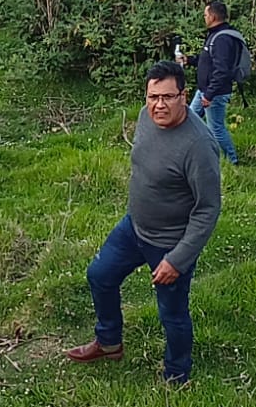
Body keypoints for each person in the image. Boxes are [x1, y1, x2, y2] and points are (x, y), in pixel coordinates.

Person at [65, 60, 221, 385]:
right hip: (134, 228)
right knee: (100, 275)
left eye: (167, 97)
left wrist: (177, 260)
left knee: (172, 314)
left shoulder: (199, 145)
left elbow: (208, 209)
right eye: (153, 97)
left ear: (183, 96)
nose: (158, 105)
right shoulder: (145, 117)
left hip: (170, 243)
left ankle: (177, 374)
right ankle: (109, 343)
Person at [185, 0, 244, 166]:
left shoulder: (223, 39)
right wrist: (189, 60)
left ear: (213, 16)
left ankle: (232, 161)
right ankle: (193, 155)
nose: (204, 17)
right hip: (204, 90)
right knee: (190, 119)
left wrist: (210, 94)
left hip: (214, 93)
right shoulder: (215, 34)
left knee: (216, 128)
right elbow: (207, 61)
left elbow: (222, 70)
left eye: (205, 14)